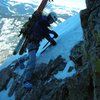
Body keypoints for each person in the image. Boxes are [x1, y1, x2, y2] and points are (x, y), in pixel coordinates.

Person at [23, 11, 58, 89]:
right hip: (32, 43)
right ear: (50, 18)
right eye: (52, 20)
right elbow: (45, 32)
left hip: (35, 43)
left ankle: (21, 60)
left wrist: (52, 33)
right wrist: (51, 40)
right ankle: (26, 81)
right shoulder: (42, 22)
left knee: (32, 55)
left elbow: (45, 30)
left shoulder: (42, 21)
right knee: (32, 62)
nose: (52, 22)